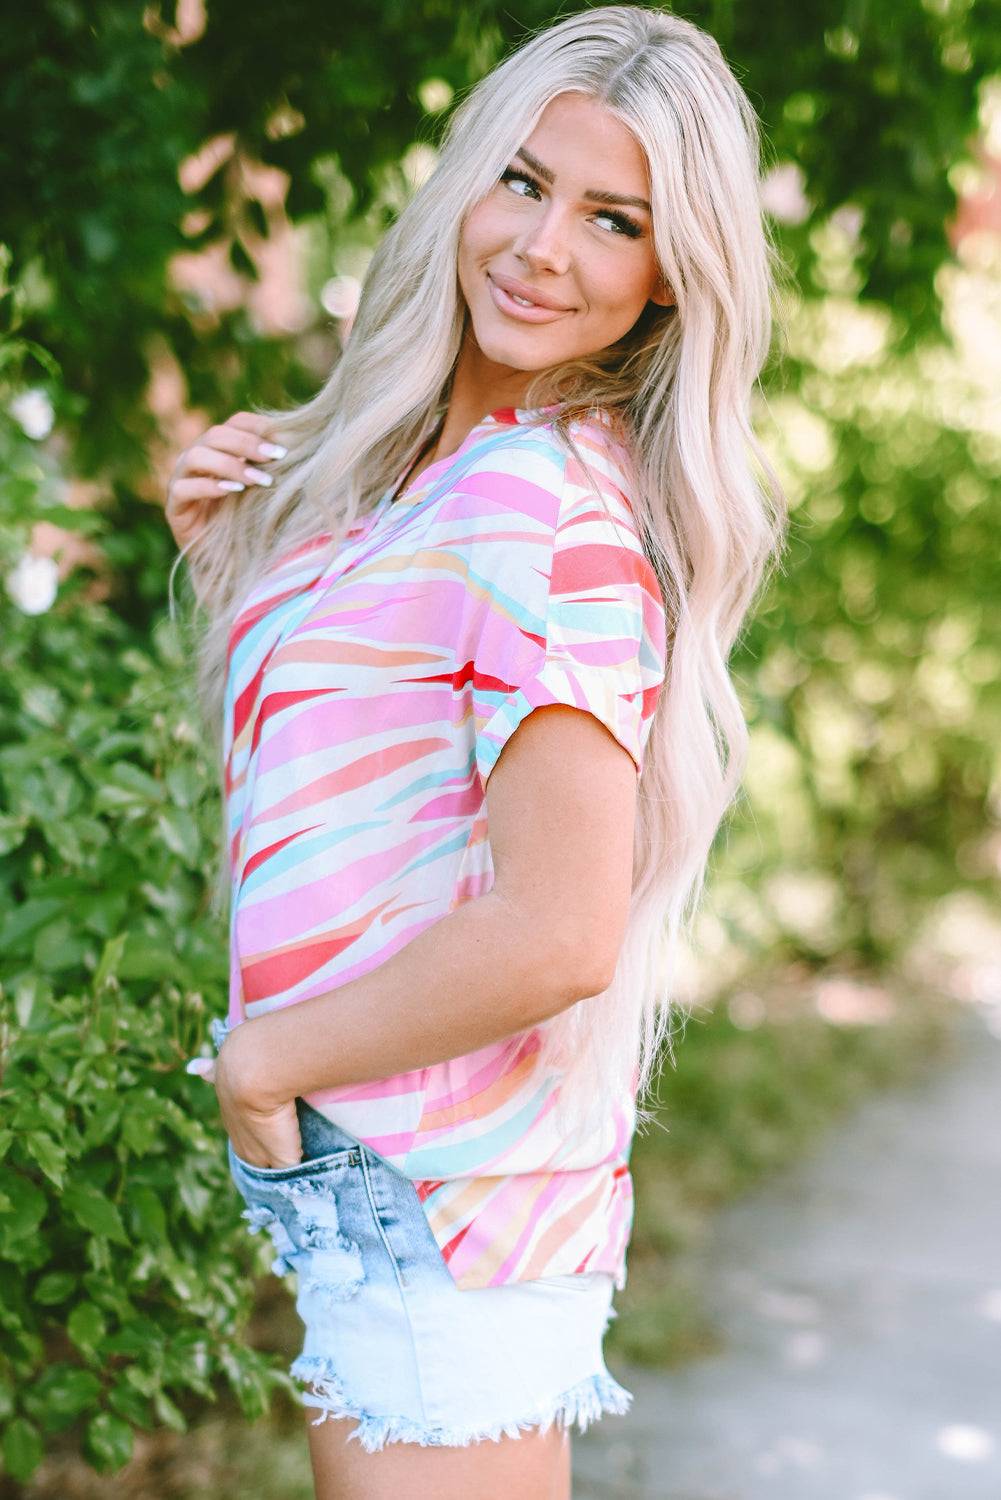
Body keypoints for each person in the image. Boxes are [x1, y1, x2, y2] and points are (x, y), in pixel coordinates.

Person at [164, 6, 787, 1497]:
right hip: (386, 1172)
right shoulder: (419, 487)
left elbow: (558, 933)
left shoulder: (550, 515)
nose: (541, 247)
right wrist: (234, 574)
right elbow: (351, 813)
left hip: (431, 1191)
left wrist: (264, 1064)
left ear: (663, 281)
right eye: (522, 184)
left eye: (611, 220)